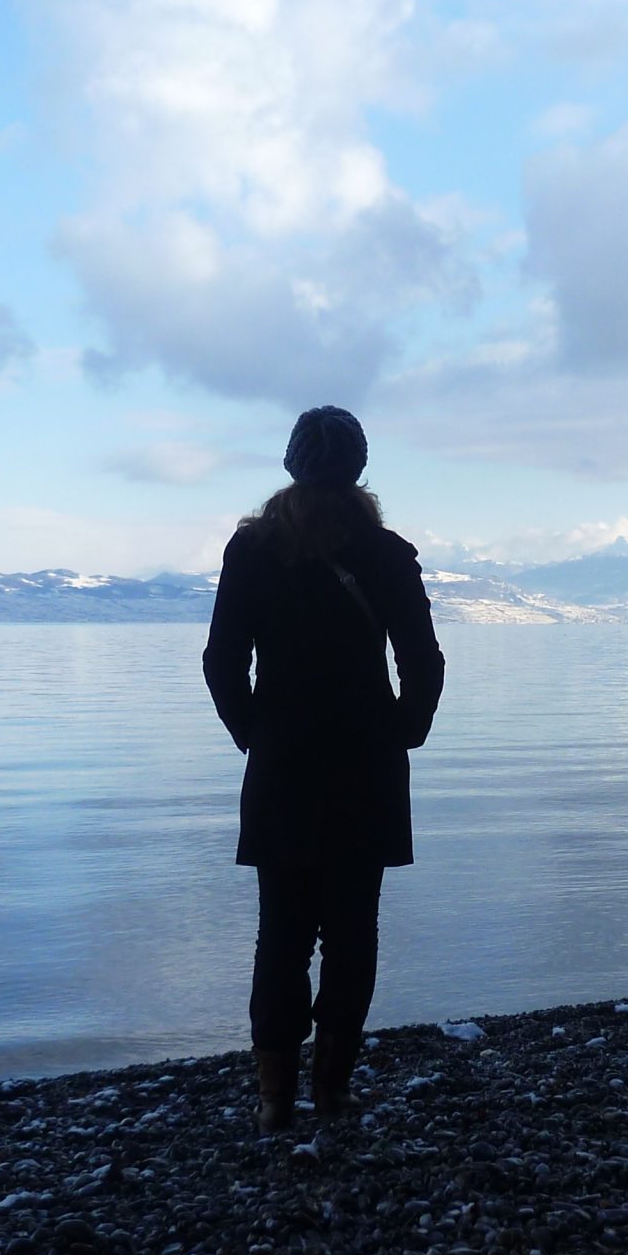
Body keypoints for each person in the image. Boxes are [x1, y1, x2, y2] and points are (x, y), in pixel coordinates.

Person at [202, 406, 445, 1131]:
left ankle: (274, 1099)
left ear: (291, 464)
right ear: (359, 468)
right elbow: (423, 660)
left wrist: (254, 734)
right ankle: (332, 1091)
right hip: (367, 759)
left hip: (282, 760)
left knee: (280, 933)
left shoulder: (252, 551)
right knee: (351, 931)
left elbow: (221, 662)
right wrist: (404, 732)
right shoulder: (386, 553)